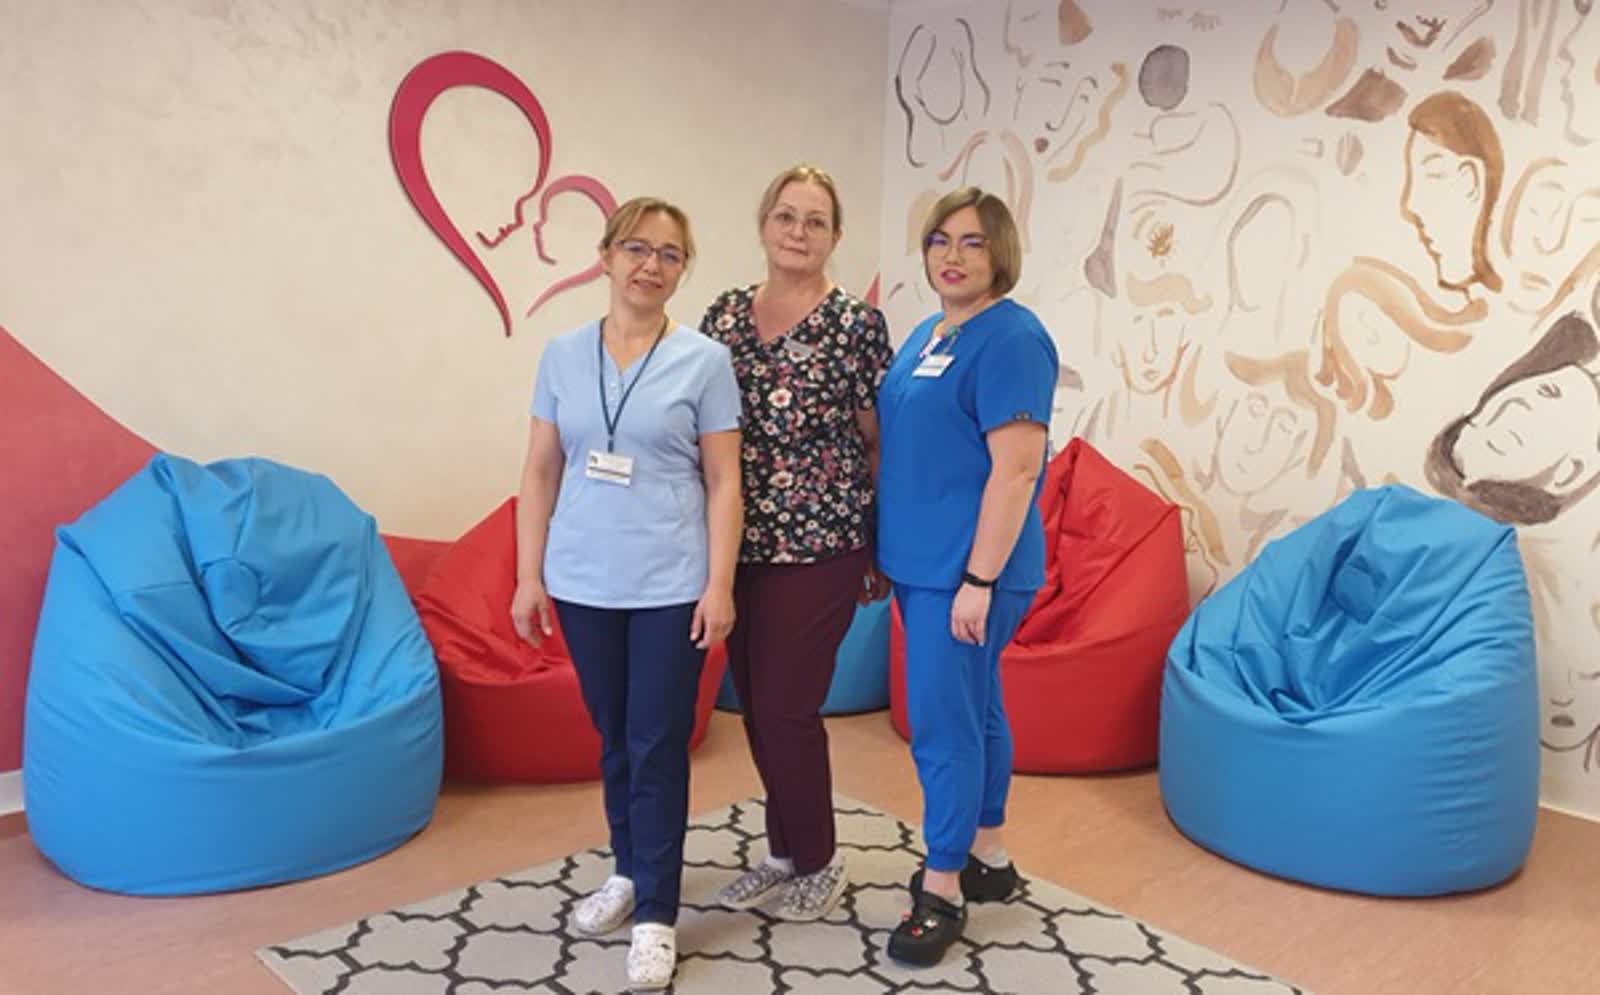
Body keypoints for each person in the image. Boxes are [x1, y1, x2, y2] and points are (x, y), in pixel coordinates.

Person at [510, 196, 742, 991]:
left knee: (656, 742)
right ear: (606, 256)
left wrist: (719, 583)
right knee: (612, 736)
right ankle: (629, 868)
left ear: (682, 270)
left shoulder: (704, 361)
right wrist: (529, 574)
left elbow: (724, 480)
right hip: (582, 578)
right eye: (637, 248)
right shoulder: (561, 354)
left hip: (669, 582)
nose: (651, 265)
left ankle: (658, 914)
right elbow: (541, 467)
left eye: (670, 254)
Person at [701, 164, 893, 921]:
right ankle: (783, 851)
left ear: (835, 236)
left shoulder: (855, 324)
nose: (798, 232)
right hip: (737, 540)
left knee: (786, 705)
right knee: (756, 703)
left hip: (823, 541)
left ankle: (818, 858)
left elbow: (877, 440)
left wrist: (878, 542)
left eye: (815, 221)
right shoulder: (724, 315)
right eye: (786, 216)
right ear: (764, 223)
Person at [875, 186, 1058, 966]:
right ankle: (988, 854)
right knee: (975, 707)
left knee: (942, 723)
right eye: (939, 240)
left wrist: (978, 580)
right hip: (922, 563)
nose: (952, 256)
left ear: (1000, 252)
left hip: (968, 568)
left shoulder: (1012, 339)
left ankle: (943, 885)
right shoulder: (931, 332)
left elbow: (1016, 472)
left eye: (972, 241)